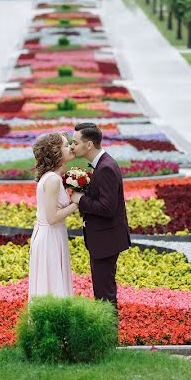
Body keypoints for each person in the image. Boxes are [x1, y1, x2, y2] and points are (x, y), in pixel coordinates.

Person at [69, 122, 131, 311]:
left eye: (75, 143)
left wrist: (80, 199)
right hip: (103, 240)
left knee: (105, 294)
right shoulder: (102, 165)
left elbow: (107, 207)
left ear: (89, 145)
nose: (72, 147)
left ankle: (108, 338)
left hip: (106, 241)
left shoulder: (105, 168)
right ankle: (107, 336)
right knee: (103, 292)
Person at [28, 132, 80, 299]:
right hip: (50, 237)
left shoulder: (54, 177)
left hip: (53, 235)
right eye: (66, 145)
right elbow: (52, 217)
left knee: (52, 285)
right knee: (52, 287)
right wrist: (77, 203)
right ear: (55, 152)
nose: (71, 147)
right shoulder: (52, 180)